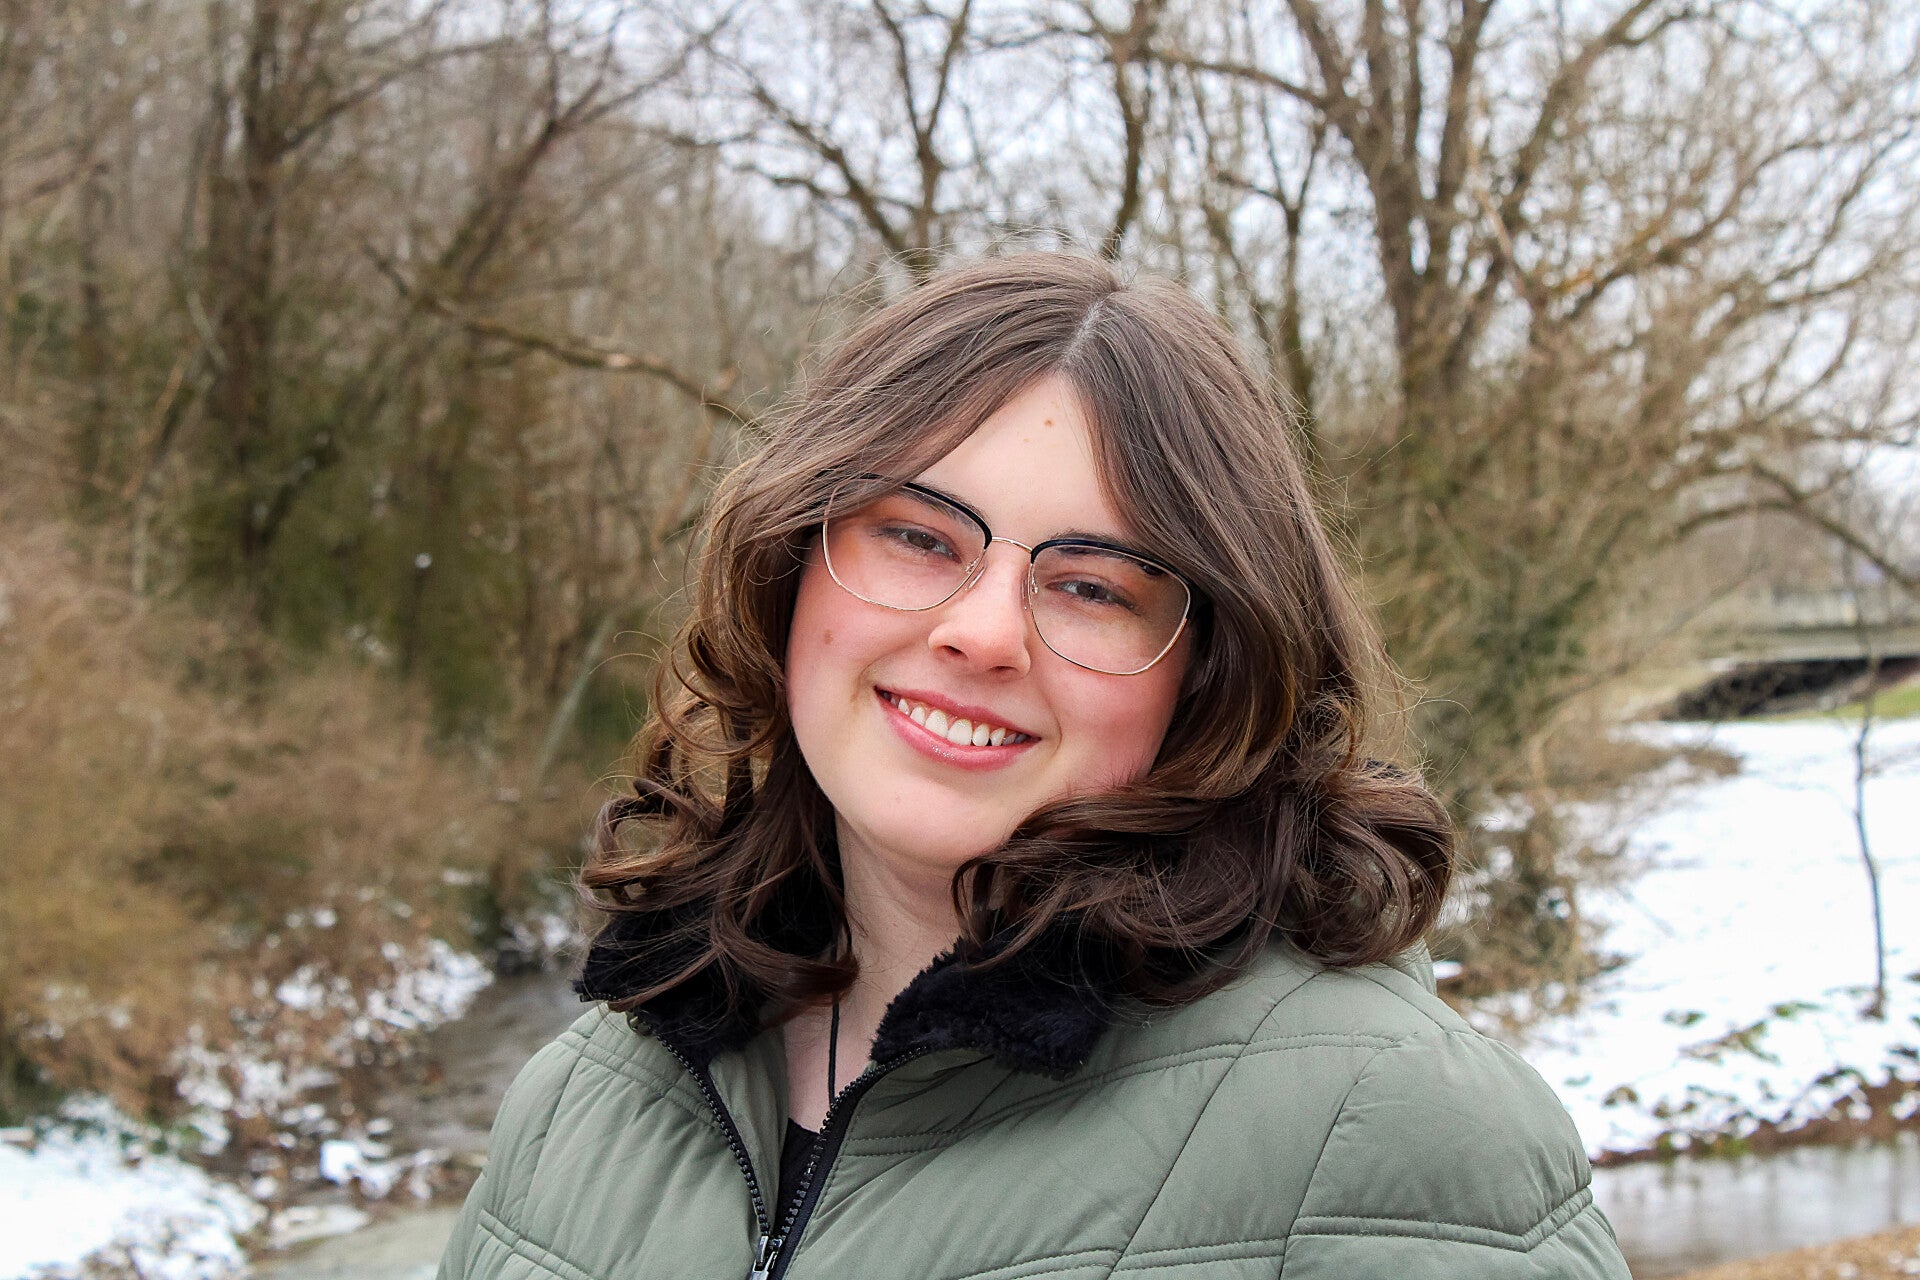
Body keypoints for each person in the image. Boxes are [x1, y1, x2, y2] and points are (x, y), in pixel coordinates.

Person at [437, 254, 1632, 1279]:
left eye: (1093, 586)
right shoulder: (584, 1101)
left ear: (1209, 669)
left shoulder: (1394, 1134)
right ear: (790, 563)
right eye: (917, 534)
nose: (983, 631)